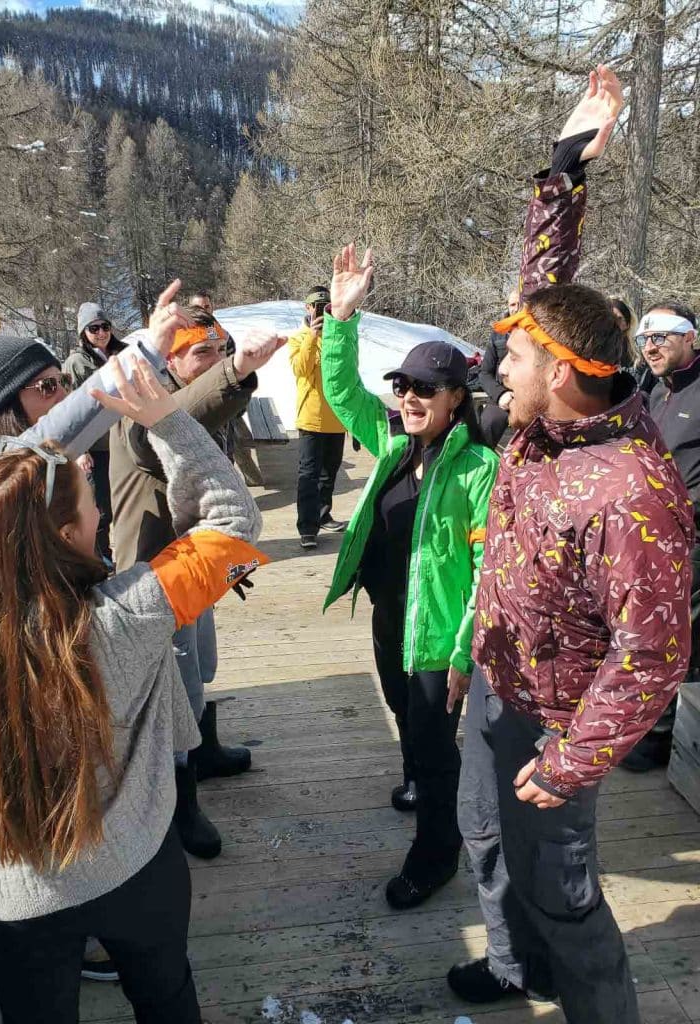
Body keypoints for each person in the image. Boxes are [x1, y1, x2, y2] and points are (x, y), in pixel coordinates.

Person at [449, 68, 694, 1024]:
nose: (494, 366)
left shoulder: (635, 490)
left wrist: (568, 764)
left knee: (568, 901)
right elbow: (542, 292)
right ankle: (517, 971)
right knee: (483, 839)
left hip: (561, 730)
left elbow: (654, 656)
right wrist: (562, 174)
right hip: (495, 684)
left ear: (559, 374)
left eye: (512, 359)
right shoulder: (536, 426)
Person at [0, 355, 267, 1024]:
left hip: (13, 895)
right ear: (64, 538)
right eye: (92, 511)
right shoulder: (130, 613)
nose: (100, 519)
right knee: (167, 998)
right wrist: (168, 419)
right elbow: (233, 525)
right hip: (137, 867)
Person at [320, 244, 499, 910]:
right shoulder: (395, 442)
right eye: (403, 386)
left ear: (458, 397)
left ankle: (435, 856)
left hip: (439, 636)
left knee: (433, 744)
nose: (410, 397)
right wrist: (341, 318)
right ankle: (420, 782)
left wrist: (463, 652)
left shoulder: (479, 472)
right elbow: (340, 393)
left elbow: (489, 575)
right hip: (390, 615)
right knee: (404, 718)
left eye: (426, 388)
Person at [109, 308, 284, 859]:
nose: (212, 359)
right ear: (172, 362)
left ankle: (203, 749)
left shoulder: (185, 405)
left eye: (218, 347)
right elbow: (174, 415)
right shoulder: (146, 408)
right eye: (201, 352)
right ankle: (180, 798)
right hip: (154, 572)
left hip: (195, 564)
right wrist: (233, 371)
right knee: (174, 682)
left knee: (200, 665)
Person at [621, 301, 700, 770]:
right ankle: (650, 730)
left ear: (691, 337)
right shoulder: (653, 390)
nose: (650, 345)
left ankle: (661, 739)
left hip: (691, 539)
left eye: (662, 336)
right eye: (644, 337)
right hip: (648, 536)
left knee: (677, 636)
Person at [63, 303, 128, 562]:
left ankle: (129, 549)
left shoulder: (123, 354)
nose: (101, 333)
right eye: (94, 328)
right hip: (97, 445)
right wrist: (80, 450)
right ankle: (101, 555)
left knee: (128, 498)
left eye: (105, 327)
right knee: (101, 506)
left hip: (126, 438)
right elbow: (68, 410)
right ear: (83, 332)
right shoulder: (75, 364)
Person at [289, 286, 347, 549]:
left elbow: (348, 372)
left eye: (326, 305)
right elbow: (300, 369)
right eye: (316, 305)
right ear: (307, 308)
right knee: (309, 475)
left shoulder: (337, 337)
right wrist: (312, 336)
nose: (320, 310)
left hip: (336, 418)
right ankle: (307, 527)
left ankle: (323, 515)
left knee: (329, 473)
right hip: (310, 418)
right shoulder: (298, 338)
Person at [479, 290, 520, 448]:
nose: (515, 308)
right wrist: (500, 394)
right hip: (501, 396)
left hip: (530, 397)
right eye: (512, 304)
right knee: (485, 429)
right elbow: (484, 373)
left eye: (519, 304)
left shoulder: (539, 333)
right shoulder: (498, 335)